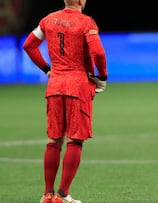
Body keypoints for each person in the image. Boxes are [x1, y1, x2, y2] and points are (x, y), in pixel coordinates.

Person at [23, 0, 108, 202]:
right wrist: (102, 77)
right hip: (77, 86)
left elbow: (29, 45)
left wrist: (46, 69)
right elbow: (98, 53)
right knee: (75, 140)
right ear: (81, 1)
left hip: (55, 86)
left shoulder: (47, 20)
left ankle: (47, 194)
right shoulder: (87, 23)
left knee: (54, 141)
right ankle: (62, 195)